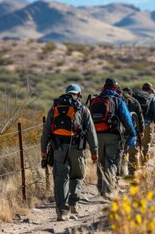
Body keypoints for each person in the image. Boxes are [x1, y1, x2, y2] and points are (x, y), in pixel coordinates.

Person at [40, 84, 98, 221]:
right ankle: (73, 202)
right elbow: (91, 132)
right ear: (78, 94)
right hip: (77, 149)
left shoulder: (54, 108)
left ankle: (62, 212)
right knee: (77, 175)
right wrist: (94, 151)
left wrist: (43, 151)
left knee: (61, 179)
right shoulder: (83, 109)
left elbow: (46, 132)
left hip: (58, 149)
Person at [90, 78, 136, 200]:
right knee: (111, 162)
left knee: (101, 162)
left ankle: (101, 187)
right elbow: (126, 119)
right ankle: (109, 190)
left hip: (97, 136)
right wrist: (131, 133)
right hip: (113, 136)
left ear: (104, 87)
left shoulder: (95, 100)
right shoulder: (117, 100)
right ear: (115, 88)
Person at [119, 86, 144, 176]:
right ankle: (132, 173)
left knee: (122, 151)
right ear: (131, 94)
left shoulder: (118, 99)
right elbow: (140, 117)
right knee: (133, 152)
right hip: (133, 130)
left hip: (120, 130)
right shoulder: (134, 101)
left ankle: (122, 172)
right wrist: (141, 131)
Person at [133, 82, 155, 163]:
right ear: (150, 90)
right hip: (147, 124)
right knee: (146, 144)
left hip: (135, 124)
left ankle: (135, 164)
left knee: (136, 145)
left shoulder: (136, 95)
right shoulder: (152, 97)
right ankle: (145, 163)